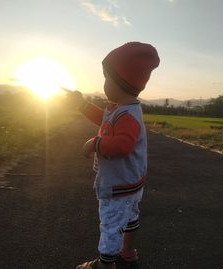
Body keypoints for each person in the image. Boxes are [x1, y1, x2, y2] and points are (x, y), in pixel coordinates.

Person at [70, 42, 160, 269]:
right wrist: (82, 105)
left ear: (121, 82)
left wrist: (95, 144)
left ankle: (105, 264)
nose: (103, 84)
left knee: (110, 222)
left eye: (106, 78)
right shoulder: (121, 108)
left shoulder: (127, 115)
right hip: (131, 182)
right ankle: (128, 252)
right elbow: (104, 120)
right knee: (129, 218)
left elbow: (122, 145)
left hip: (119, 184)